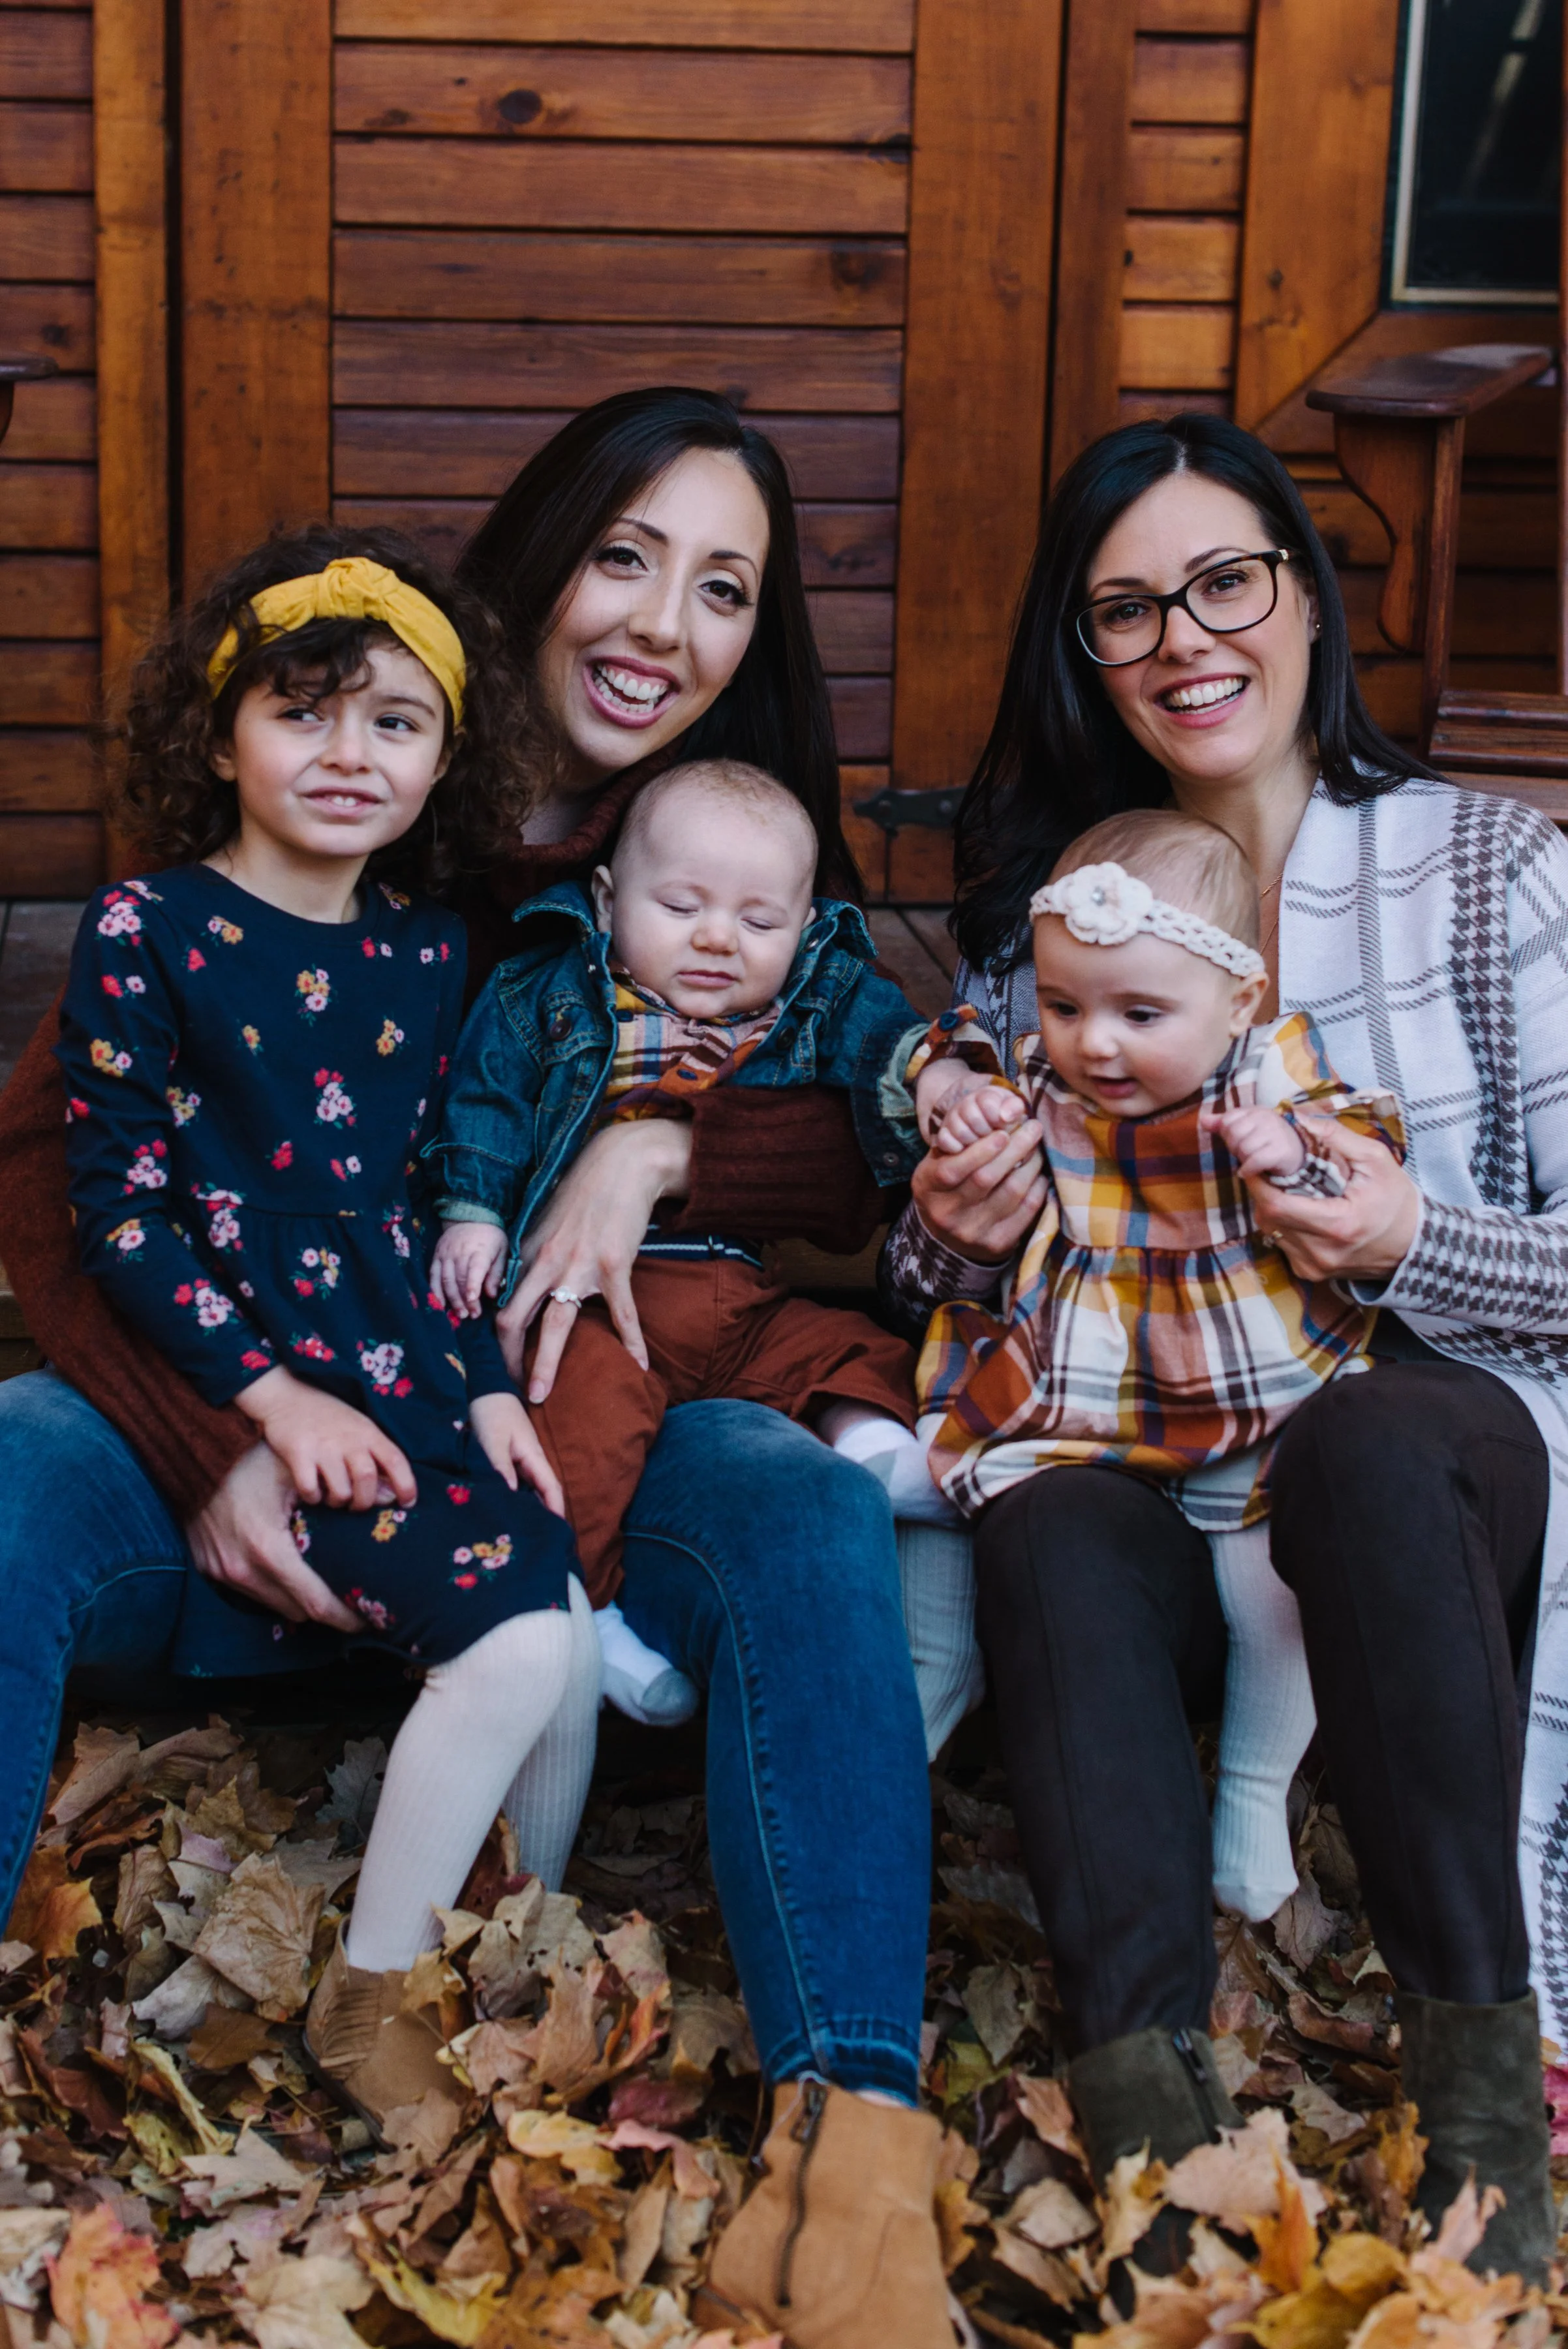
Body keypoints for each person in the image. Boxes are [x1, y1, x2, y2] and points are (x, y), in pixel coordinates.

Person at [0, 390, 963, 2348]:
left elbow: (860, 1123)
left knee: (786, 1498)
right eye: (625, 557)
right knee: (16, 1451)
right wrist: (215, 1439)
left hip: (542, 1455)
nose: (661, 625)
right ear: (536, 565)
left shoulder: (726, 858)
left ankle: (853, 2131)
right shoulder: (343, 774)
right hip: (272, 1442)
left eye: (721, 589)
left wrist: (660, 1131)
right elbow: (62, 1168)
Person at [885, 412, 1568, 2284]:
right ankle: (1143, 2109)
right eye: (1124, 609)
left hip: (1443, 1472)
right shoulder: (1055, 941)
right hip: (1175, 1470)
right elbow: (981, 1276)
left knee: (1370, 1440)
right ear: (1081, 655)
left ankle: (1481, 2112)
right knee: (1044, 1524)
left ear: (1302, 593)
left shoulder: (1490, 870)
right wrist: (949, 1227)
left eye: (1225, 579)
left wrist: (1412, 1233)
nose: (1185, 638)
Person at [56, 532, 600, 2133]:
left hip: (409, 1355)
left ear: (449, 758)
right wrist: (268, 1404)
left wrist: (490, 1377)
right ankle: (371, 2003)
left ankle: (505, 1951)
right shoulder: (147, 931)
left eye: (395, 723)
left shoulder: (435, 955)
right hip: (266, 1363)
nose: (349, 755)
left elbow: (444, 1194)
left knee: (560, 1629)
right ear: (220, 735)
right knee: (510, 1640)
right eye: (305, 714)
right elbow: (124, 1210)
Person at [912, 806, 1404, 1923]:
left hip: (1249, 1380)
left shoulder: (1265, 1072)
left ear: (1238, 1003)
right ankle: (926, 1684)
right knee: (973, 1489)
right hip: (1089, 1375)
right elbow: (946, 1052)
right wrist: (956, 1090)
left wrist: (1296, 1156)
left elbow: (1358, 1152)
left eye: (1141, 1013)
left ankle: (1251, 1787)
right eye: (1065, 1004)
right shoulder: (1053, 1074)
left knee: (1265, 1575)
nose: (1095, 1044)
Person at [430, 756, 957, 1719]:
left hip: (738, 1297)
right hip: (595, 1306)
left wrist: (937, 1077)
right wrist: (470, 1213)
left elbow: (885, 1033)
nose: (718, 938)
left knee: (858, 1351)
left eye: (760, 923)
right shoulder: (543, 994)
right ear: (605, 896)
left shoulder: (811, 997)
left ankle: (874, 1450)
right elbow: (486, 1103)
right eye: (679, 906)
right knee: (572, 1441)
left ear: (801, 931)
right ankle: (589, 1618)